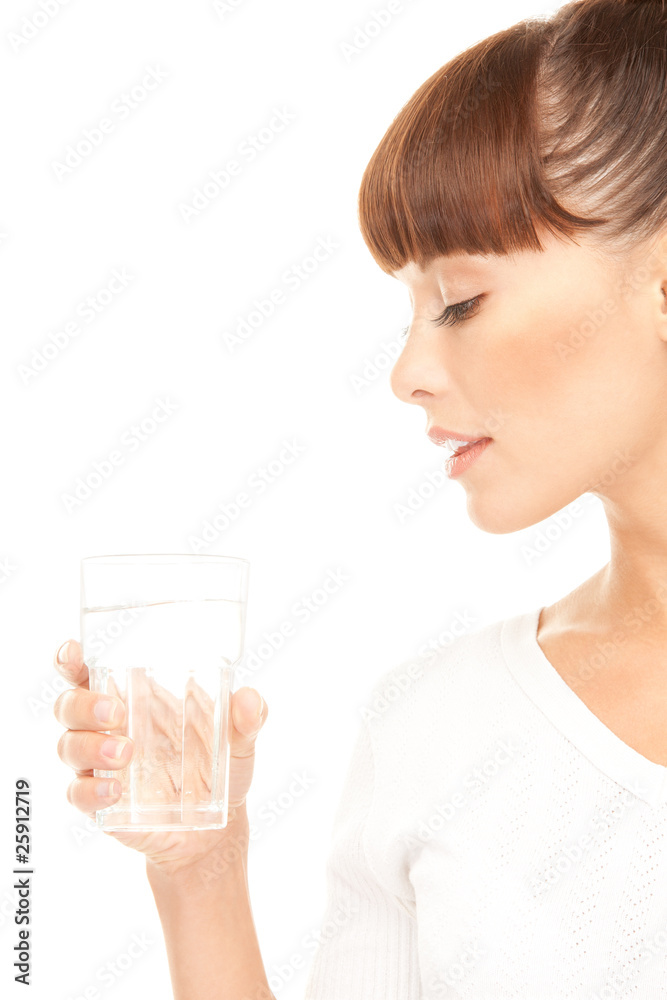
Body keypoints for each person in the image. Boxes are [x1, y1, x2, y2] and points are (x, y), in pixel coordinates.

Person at [53, 0, 667, 996]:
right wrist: (199, 869)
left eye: (460, 301)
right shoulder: (437, 732)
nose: (408, 373)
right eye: (411, 309)